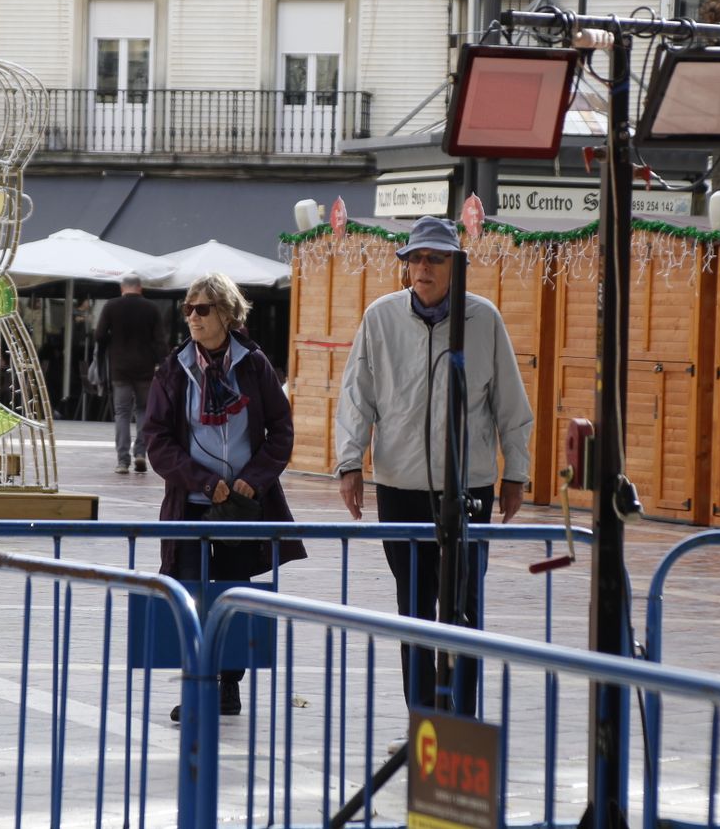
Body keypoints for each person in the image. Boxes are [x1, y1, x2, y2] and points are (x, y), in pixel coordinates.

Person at [333, 215, 533, 714]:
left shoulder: (483, 320)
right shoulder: (380, 317)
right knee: (414, 605)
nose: (423, 268)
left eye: (435, 258)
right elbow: (358, 397)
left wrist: (516, 473)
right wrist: (349, 463)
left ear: (455, 266)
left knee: (464, 608)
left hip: (469, 486)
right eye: (416, 258)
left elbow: (510, 402)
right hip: (399, 485)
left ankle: (461, 714)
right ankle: (423, 713)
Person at [143, 271, 304, 719]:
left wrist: (255, 477)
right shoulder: (174, 369)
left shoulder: (253, 365)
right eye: (188, 309)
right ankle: (201, 684)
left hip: (242, 506)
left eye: (202, 309)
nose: (192, 317)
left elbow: (281, 430)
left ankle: (228, 687)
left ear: (228, 314)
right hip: (193, 506)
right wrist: (199, 480)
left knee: (234, 594)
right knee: (195, 595)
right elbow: (157, 438)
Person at [97, 272, 167, 474]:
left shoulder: (111, 306)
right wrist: (163, 364)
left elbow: (99, 335)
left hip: (120, 368)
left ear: (122, 288)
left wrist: (111, 343)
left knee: (122, 413)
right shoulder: (151, 308)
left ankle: (122, 461)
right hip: (145, 369)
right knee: (144, 411)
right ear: (140, 287)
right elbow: (160, 340)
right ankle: (140, 453)